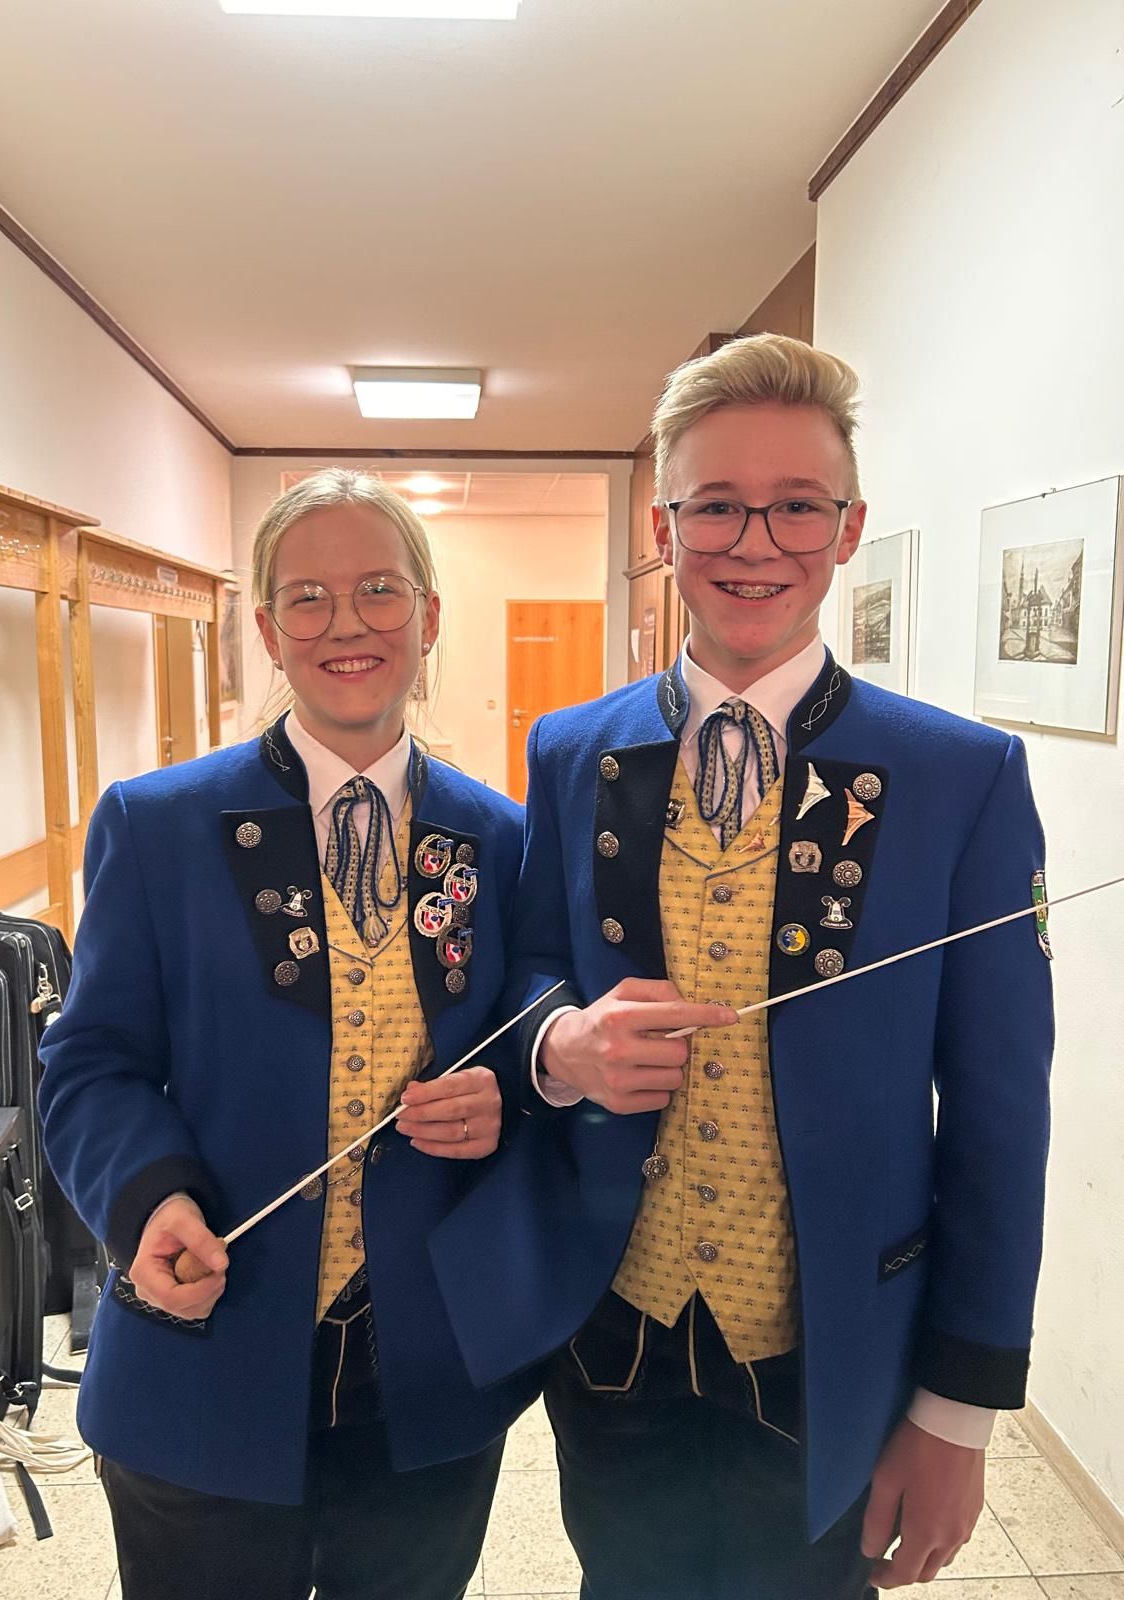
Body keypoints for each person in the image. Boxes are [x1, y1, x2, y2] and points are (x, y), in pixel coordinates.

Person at [433, 335, 1053, 1597]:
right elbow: (530, 968)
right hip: (614, 1327)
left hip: (832, 1342)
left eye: (796, 506)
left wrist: (961, 1408)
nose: (753, 542)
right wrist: (560, 1044)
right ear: (666, 527)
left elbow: (1000, 1109)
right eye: (715, 505)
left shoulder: (960, 777)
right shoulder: (572, 750)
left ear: (849, 526)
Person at [38, 470, 539, 1600]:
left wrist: (507, 1095)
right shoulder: (157, 825)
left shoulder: (503, 839)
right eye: (307, 598)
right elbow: (90, 1063)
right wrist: (149, 1200)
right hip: (203, 1359)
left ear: (429, 616)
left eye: (379, 590)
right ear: (266, 630)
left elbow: (531, 1038)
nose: (346, 623)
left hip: (425, 1377)